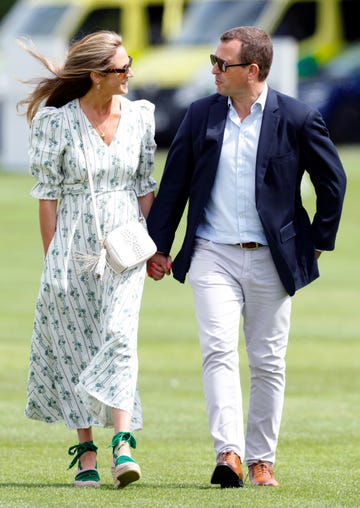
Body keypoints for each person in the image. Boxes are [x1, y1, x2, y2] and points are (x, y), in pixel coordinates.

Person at [146, 26, 346, 488]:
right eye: (214, 61)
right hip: (211, 255)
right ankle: (229, 455)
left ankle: (261, 460)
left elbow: (332, 182)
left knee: (267, 362)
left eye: (222, 63)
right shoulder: (199, 116)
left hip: (272, 260)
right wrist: (158, 247)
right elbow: (173, 185)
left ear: (251, 70)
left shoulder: (298, 118)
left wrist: (318, 240)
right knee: (218, 351)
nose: (213, 70)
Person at [18, 31, 157, 488]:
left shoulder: (140, 117)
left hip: (125, 244)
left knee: (119, 333)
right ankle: (86, 451)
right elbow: (47, 195)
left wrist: (156, 247)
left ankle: (122, 443)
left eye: (130, 62)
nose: (130, 73)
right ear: (96, 75)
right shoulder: (56, 123)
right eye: (122, 67)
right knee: (75, 343)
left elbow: (143, 186)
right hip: (71, 243)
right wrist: (51, 259)